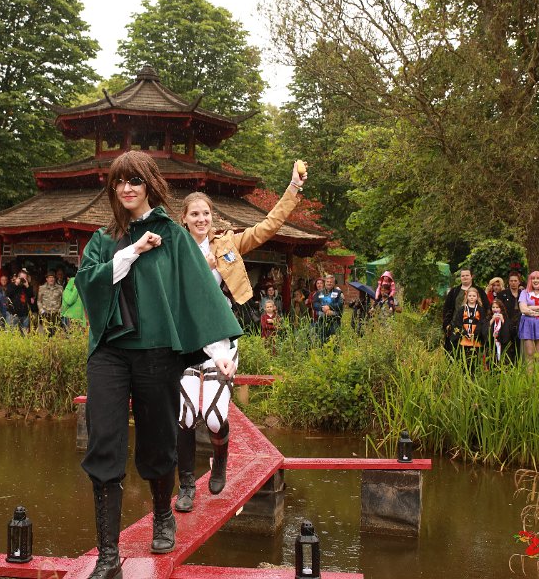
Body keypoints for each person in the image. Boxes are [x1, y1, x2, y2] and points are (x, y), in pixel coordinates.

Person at [74, 151, 242, 578]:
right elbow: (88, 284)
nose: (126, 188)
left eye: (135, 180)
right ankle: (108, 555)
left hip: (156, 353)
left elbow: (197, 292)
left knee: (158, 440)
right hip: (110, 352)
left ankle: (163, 514)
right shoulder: (104, 238)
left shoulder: (173, 235)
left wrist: (219, 350)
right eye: (119, 181)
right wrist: (132, 250)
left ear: (150, 184)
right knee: (104, 443)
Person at [175, 160, 307, 514]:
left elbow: (267, 227)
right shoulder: (174, 249)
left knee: (214, 418)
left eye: (206, 213)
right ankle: (186, 485)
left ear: (212, 217)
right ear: (184, 218)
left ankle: (220, 457)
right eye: (194, 214)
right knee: (185, 416)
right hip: (185, 338)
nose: (201, 219)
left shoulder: (228, 244)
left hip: (220, 336)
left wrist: (293, 188)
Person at [442, 268, 490, 352]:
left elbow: (486, 309)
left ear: (471, 276)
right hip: (457, 327)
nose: (465, 277)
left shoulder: (479, 291)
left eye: (467, 275)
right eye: (462, 276)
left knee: (475, 353)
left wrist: (483, 327)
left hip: (476, 329)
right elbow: (447, 308)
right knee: (455, 351)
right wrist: (447, 324)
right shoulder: (454, 291)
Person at [451, 286, 486, 367]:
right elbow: (458, 322)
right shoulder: (462, 309)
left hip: (476, 337)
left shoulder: (480, 309)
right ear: (466, 296)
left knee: (475, 358)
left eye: (474, 296)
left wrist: (475, 334)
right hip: (464, 336)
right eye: (470, 296)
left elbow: (482, 322)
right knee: (464, 359)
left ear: (477, 297)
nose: (472, 297)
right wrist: (465, 333)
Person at [312, 274, 344, 342]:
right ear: (325, 282)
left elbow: (340, 304)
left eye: (331, 282)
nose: (329, 283)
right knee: (321, 340)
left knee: (334, 341)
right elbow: (314, 304)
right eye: (327, 281)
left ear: (334, 283)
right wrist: (322, 308)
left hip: (334, 321)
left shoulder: (338, 292)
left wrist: (329, 306)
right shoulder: (319, 292)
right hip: (321, 320)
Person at [488, 297, 513, 363]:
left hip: (503, 347)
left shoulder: (506, 320)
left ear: (501, 309)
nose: (495, 309)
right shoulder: (488, 319)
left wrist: (502, 321)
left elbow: (509, 334)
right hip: (492, 347)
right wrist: (492, 320)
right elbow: (485, 332)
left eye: (497, 307)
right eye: (493, 307)